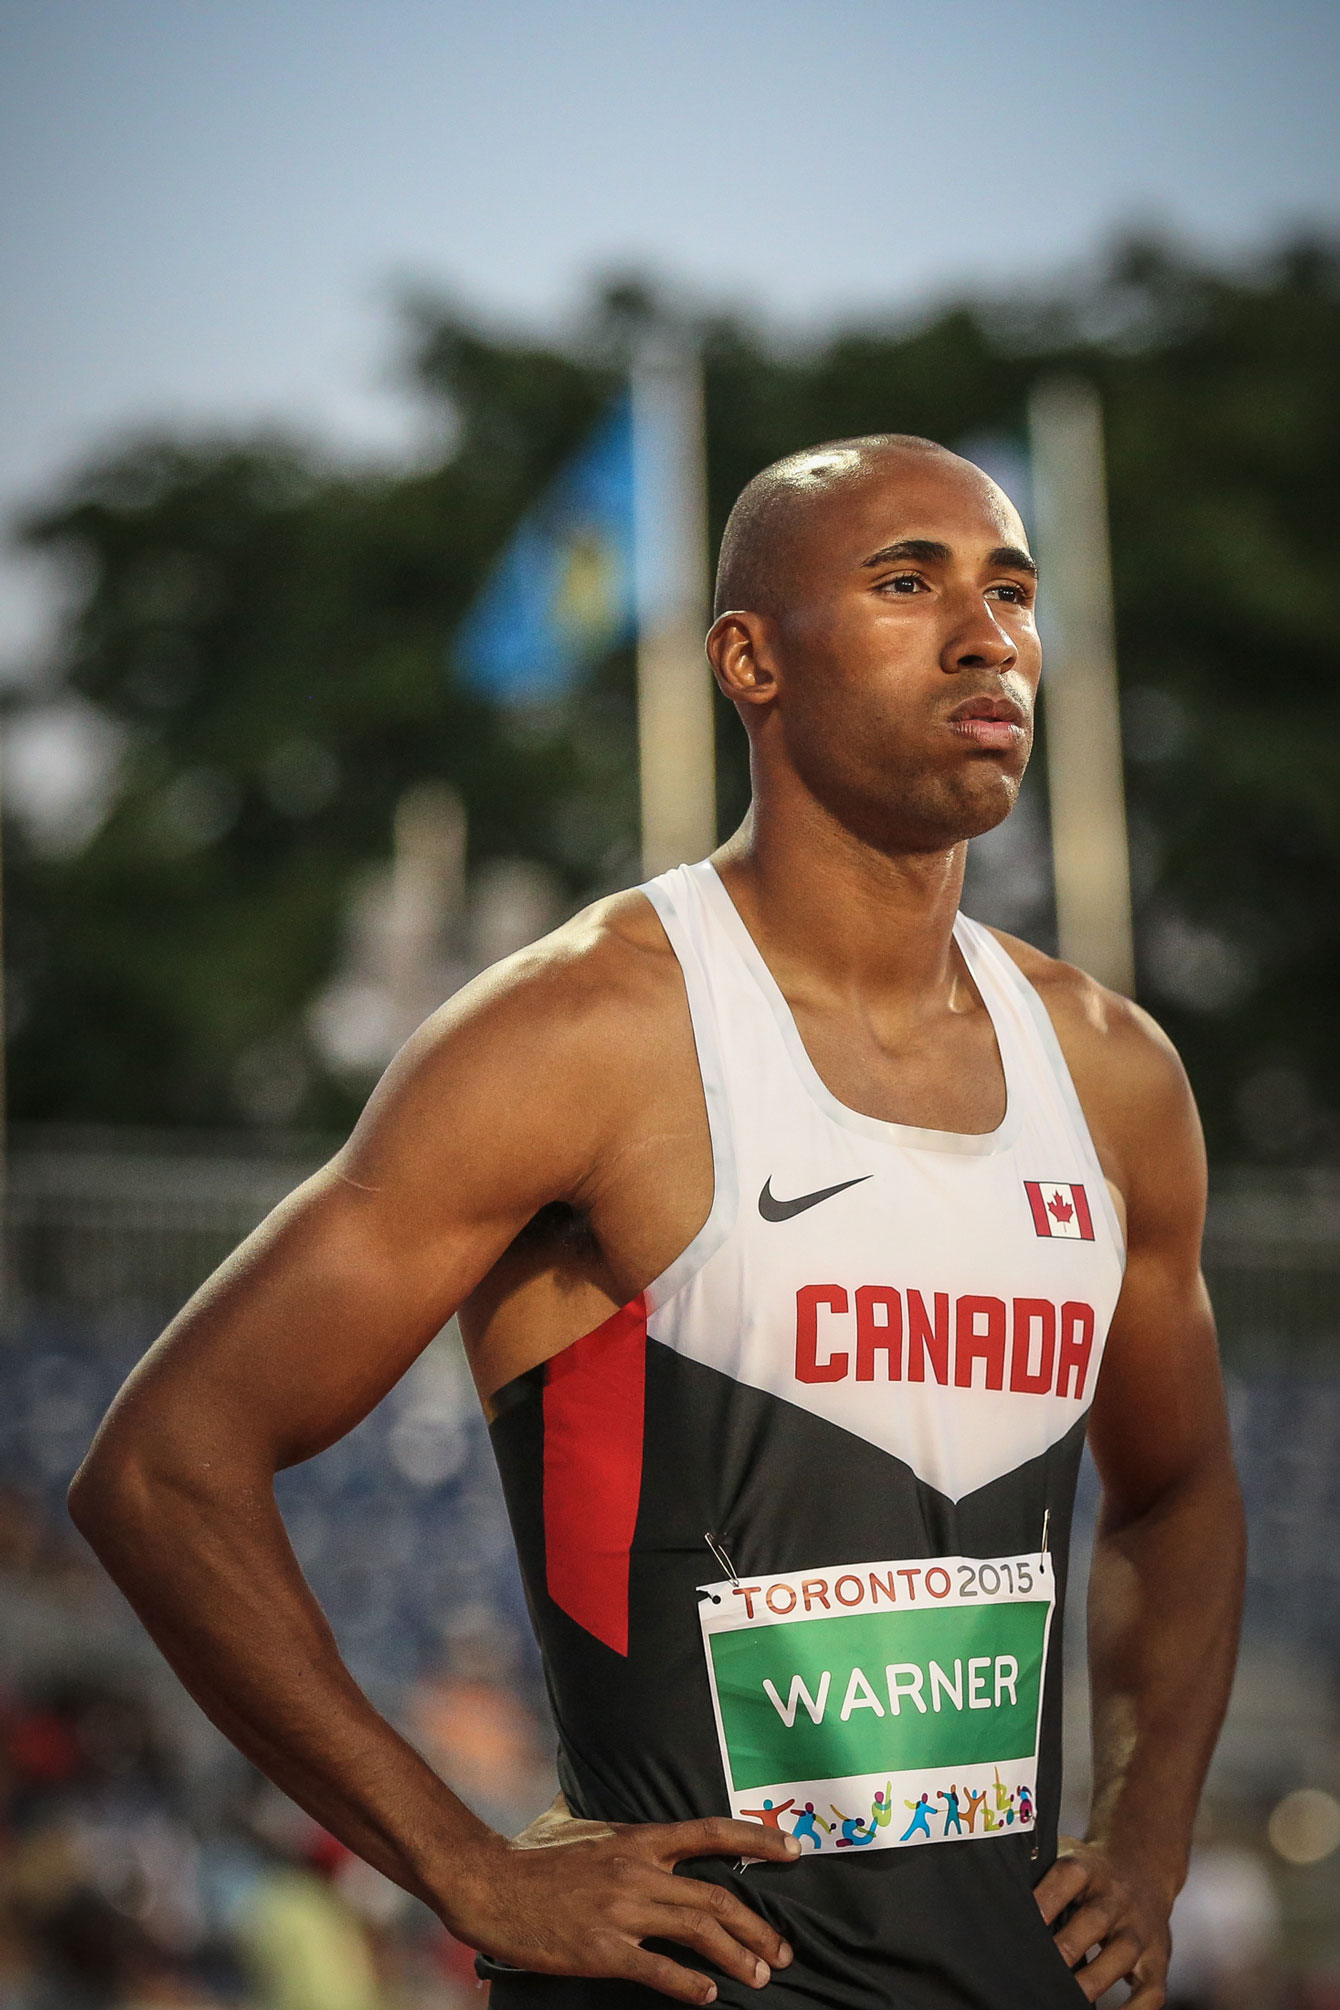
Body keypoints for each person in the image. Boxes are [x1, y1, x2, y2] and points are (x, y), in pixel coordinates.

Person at [69, 435, 1245, 2009]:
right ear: (748, 658)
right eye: (910, 583)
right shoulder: (584, 1032)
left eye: (1013, 591)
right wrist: (468, 1866)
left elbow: (1176, 1490)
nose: (989, 636)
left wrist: (1147, 1837)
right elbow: (160, 1467)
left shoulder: (1108, 1073)